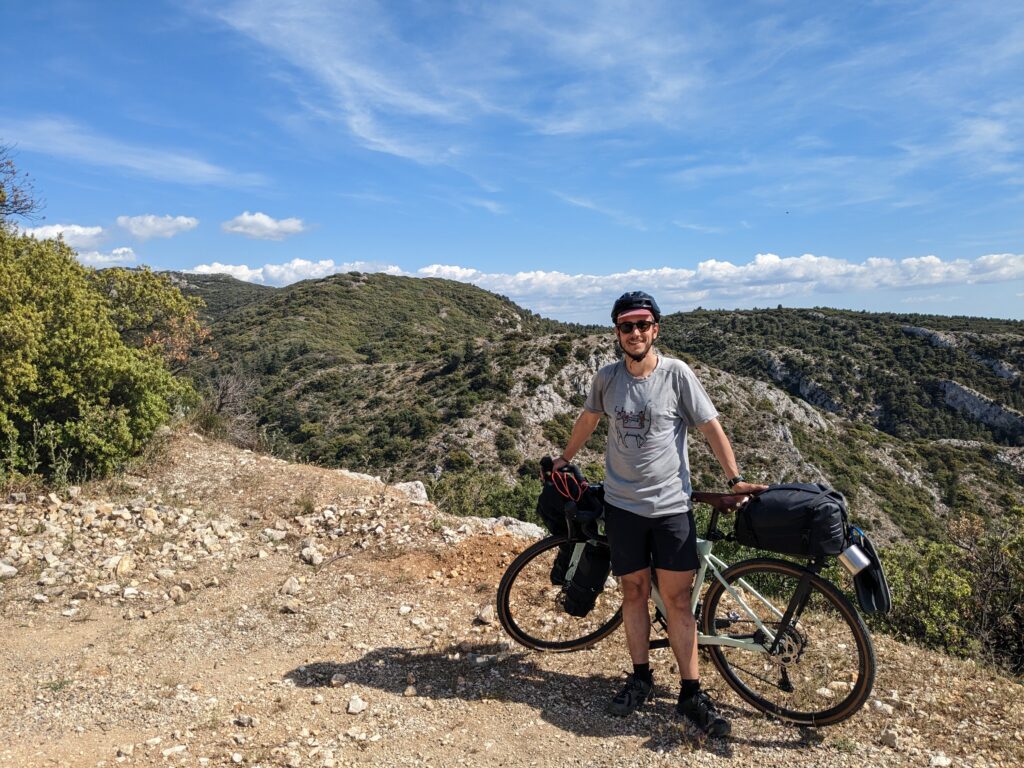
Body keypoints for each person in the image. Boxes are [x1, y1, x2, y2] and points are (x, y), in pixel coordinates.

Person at [553, 291, 767, 737]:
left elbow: (711, 427)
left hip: (670, 508)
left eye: (642, 324)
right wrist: (564, 458)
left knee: (675, 601)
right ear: (617, 333)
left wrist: (734, 480)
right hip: (623, 508)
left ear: (656, 329)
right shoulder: (607, 378)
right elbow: (588, 420)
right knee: (633, 594)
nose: (635, 333)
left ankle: (691, 693)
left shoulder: (676, 374)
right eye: (626, 326)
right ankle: (641, 677)